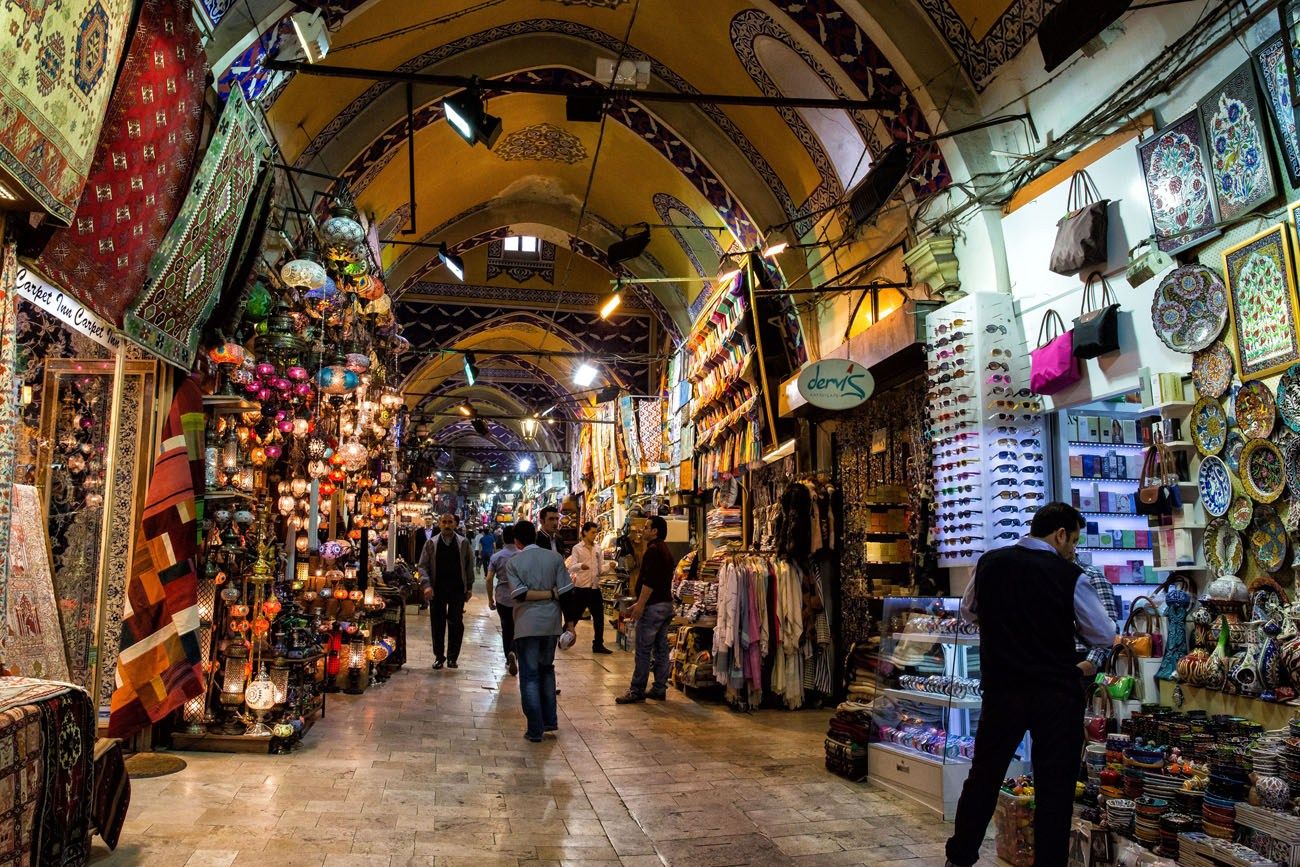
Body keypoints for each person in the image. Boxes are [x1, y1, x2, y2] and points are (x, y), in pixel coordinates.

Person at [945, 502, 1117, 867]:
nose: (1072, 549)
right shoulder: (1069, 575)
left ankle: (959, 858)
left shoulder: (990, 562)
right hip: (1055, 695)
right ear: (1059, 535)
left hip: (1003, 689)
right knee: (1054, 789)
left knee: (984, 777)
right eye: (1072, 540)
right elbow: (1103, 634)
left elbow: (968, 610)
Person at [505, 519, 575, 742]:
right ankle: (549, 721)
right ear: (535, 536)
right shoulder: (555, 558)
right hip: (551, 624)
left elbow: (520, 594)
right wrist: (570, 623)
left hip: (526, 625)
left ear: (517, 542)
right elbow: (565, 593)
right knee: (547, 670)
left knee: (530, 676)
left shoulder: (514, 562)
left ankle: (535, 729)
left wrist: (542, 594)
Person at [615, 515, 675, 703]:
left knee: (643, 648)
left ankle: (637, 690)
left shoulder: (653, 551)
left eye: (647, 527)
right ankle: (659, 687)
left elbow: (649, 582)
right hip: (665, 604)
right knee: (661, 648)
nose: (643, 530)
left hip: (653, 606)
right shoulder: (665, 550)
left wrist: (641, 605)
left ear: (655, 531)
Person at [418, 512, 476, 670]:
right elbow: (422, 566)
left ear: (455, 524)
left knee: (456, 623)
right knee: (437, 623)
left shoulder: (463, 543)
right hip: (437, 589)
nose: (447, 525)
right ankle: (439, 656)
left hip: (457, 589)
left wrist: (469, 587)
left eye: (450, 522)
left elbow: (469, 565)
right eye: (444, 522)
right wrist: (426, 585)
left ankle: (452, 658)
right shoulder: (431, 543)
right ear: (439, 524)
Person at [566, 522, 611, 654]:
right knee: (574, 617)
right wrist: (581, 566)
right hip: (581, 588)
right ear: (585, 532)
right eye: (592, 532)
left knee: (599, 618)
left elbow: (601, 569)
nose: (595, 535)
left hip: (594, 588)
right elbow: (571, 567)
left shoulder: (598, 548)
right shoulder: (577, 548)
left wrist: (610, 567)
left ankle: (598, 644)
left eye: (596, 532)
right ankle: (565, 638)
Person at [1076, 559, 1120, 685]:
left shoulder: (1091, 576)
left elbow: (1110, 629)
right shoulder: (1049, 575)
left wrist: (1091, 662)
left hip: (1084, 659)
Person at [487, 526, 520, 675]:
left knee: (506, 627)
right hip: (520, 597)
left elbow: (488, 579)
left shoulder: (496, 557)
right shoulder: (523, 556)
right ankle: (515, 651)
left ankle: (508, 656)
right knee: (518, 628)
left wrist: (490, 599)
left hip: (502, 597)